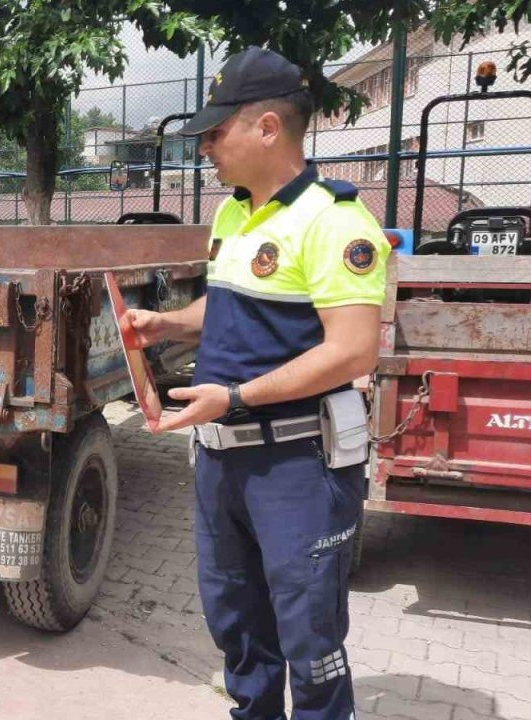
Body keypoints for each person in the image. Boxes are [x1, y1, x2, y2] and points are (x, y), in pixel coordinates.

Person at [122, 46, 388, 720]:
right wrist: (169, 324)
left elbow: (354, 349)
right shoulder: (235, 215)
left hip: (296, 465)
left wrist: (236, 398)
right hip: (220, 462)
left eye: (216, 131)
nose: (206, 146)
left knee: (310, 637)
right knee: (237, 626)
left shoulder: (335, 220)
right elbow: (231, 308)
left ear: (267, 127)